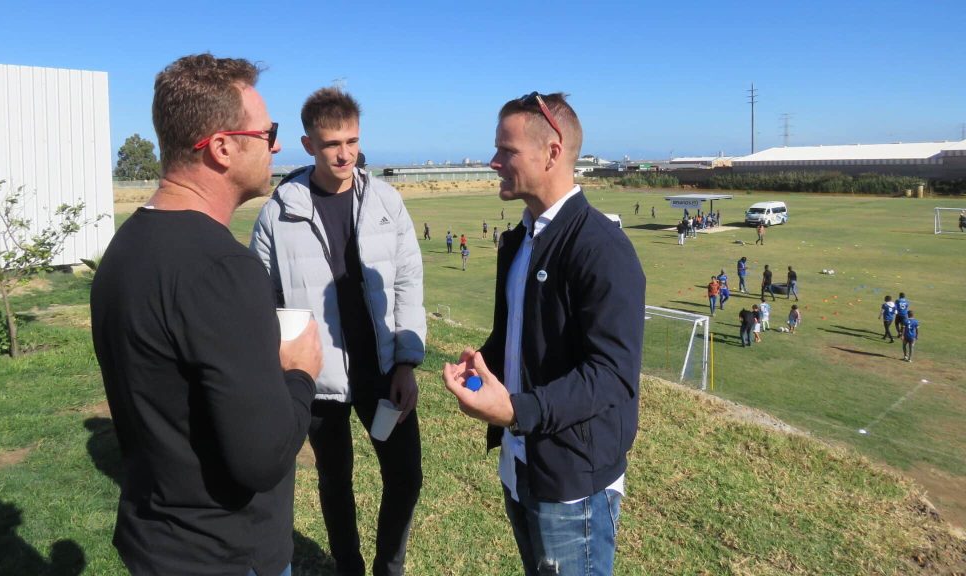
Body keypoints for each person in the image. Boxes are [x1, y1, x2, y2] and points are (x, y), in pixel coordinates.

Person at [91, 54, 323, 576]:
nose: (277, 144)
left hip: (156, 542)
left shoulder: (127, 245)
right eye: (268, 132)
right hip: (224, 553)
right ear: (222, 147)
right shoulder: (221, 268)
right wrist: (300, 372)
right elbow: (262, 457)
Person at [441, 92, 644, 576]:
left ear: (552, 153)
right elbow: (519, 333)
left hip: (574, 485)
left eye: (506, 151)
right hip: (520, 463)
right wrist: (485, 364)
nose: (493, 162)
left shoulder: (601, 248)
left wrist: (516, 409)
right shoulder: (521, 239)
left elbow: (612, 376)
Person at [250, 87, 426, 576]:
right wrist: (285, 370)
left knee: (406, 476)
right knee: (335, 480)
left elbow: (410, 282)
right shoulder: (278, 212)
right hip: (318, 376)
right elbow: (264, 301)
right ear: (309, 145)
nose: (345, 153)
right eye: (332, 144)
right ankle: (347, 566)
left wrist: (407, 361)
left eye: (352, 141)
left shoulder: (387, 201)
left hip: (385, 368)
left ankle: (388, 566)